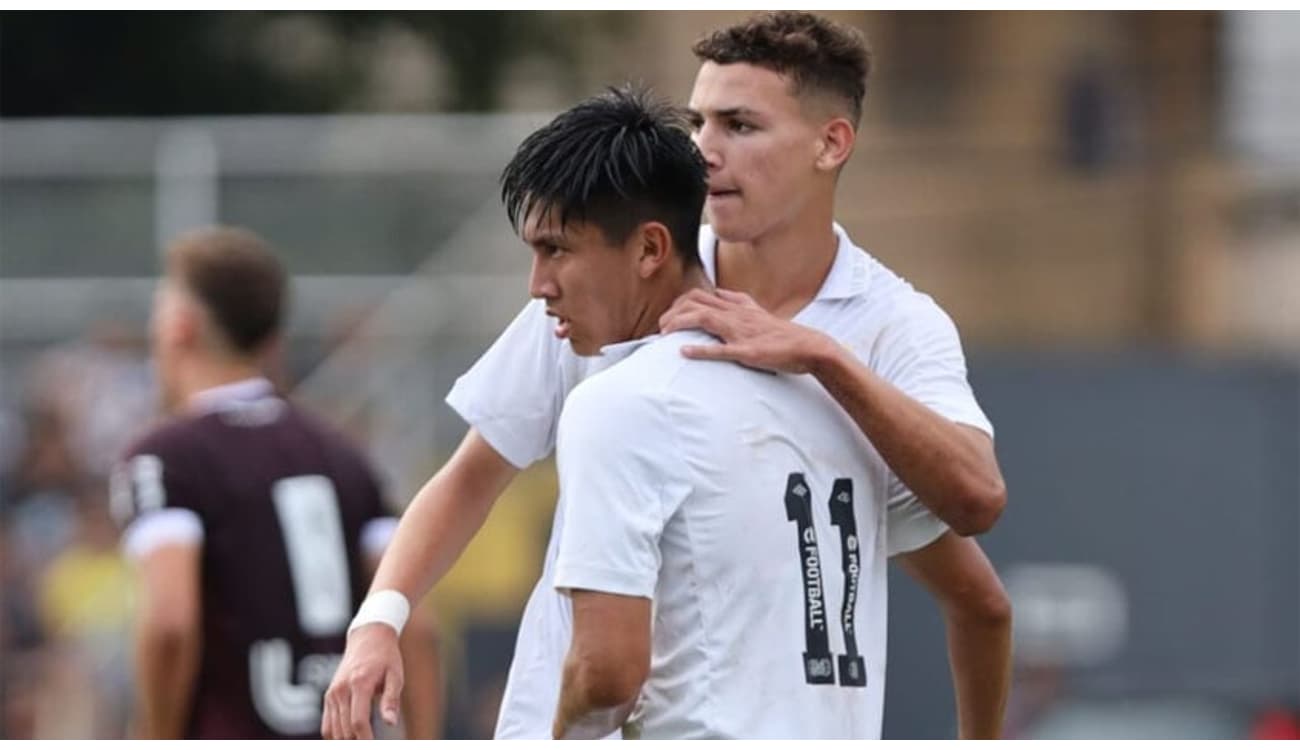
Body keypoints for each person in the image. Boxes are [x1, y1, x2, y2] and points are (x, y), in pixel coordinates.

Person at [325, 11, 1010, 740]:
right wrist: (378, 620)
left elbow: (976, 521)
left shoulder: (889, 328)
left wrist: (819, 353)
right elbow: (471, 476)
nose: (705, 151)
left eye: (740, 126)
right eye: (699, 121)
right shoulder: (611, 276)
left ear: (831, 143)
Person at [111, 227, 440, 739]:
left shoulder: (166, 457)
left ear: (180, 327)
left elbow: (171, 623)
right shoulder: (342, 453)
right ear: (272, 336)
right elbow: (416, 623)